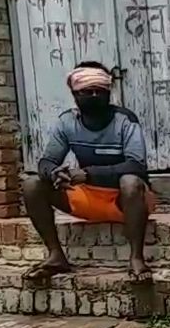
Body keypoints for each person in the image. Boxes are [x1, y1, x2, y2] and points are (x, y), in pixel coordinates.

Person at [22, 61, 156, 283]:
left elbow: (136, 165)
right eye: (87, 91)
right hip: (87, 199)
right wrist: (54, 172)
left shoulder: (125, 120)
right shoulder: (67, 122)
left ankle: (136, 259)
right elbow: (46, 161)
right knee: (32, 184)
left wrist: (88, 174)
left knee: (131, 181)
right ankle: (56, 256)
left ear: (108, 93)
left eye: (99, 91)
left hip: (125, 201)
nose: (94, 95)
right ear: (75, 94)